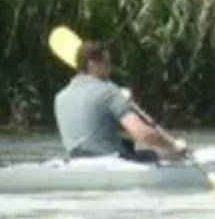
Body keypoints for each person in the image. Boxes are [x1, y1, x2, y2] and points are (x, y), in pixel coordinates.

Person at [54, 40, 187, 162]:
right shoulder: (108, 91)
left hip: (75, 161)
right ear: (92, 65)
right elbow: (142, 134)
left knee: (129, 144)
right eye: (106, 64)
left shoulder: (60, 97)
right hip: (109, 161)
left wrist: (123, 104)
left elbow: (95, 127)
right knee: (167, 153)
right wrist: (172, 145)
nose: (110, 69)